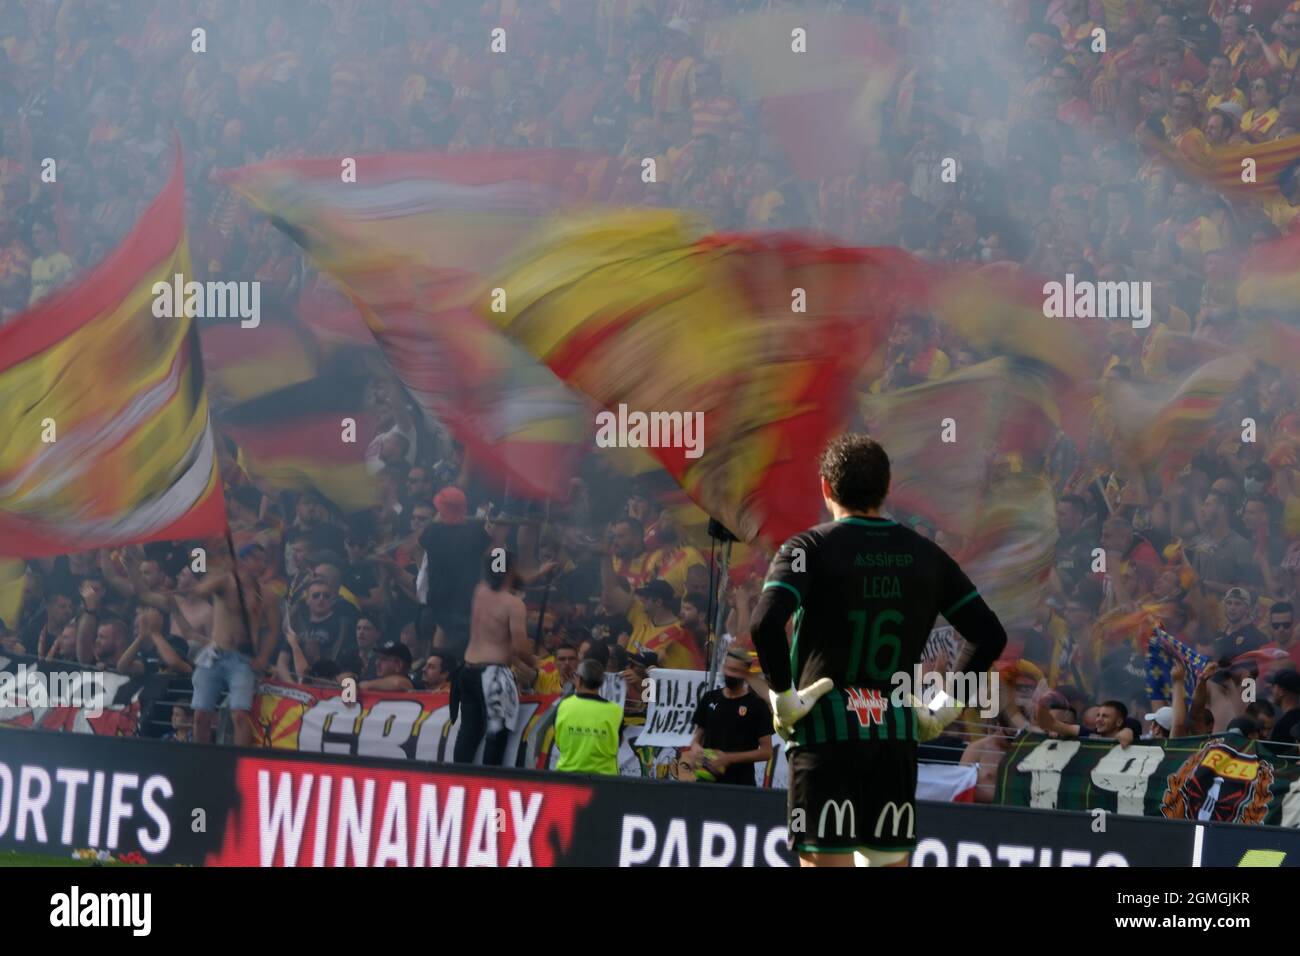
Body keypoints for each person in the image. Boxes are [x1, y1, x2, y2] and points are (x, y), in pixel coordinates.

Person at [749, 434, 1008, 868]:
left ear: (826, 488)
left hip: (826, 731)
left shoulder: (806, 548)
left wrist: (783, 698)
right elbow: (988, 634)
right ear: (887, 489)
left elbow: (764, 623)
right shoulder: (927, 555)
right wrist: (943, 709)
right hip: (893, 733)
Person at [452, 549, 534, 766]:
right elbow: (521, 648)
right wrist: (536, 665)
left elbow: (508, 579)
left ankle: (458, 779)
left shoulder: (480, 591)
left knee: (469, 731)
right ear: (511, 570)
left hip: (468, 670)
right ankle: (491, 785)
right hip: (493, 675)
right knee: (496, 734)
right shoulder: (514, 604)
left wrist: (540, 572)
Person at [686, 649, 773, 786]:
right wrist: (696, 750)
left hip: (741, 784)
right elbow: (697, 737)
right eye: (728, 668)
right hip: (706, 781)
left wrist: (728, 758)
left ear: (745, 672)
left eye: (735, 670)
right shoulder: (710, 698)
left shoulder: (757, 705)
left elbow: (766, 752)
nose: (730, 674)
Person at [554, 659, 623, 776]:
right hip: (605, 780)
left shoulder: (563, 705)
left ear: (579, 679)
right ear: (601, 683)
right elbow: (618, 743)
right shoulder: (616, 710)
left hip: (566, 777)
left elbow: (559, 743)